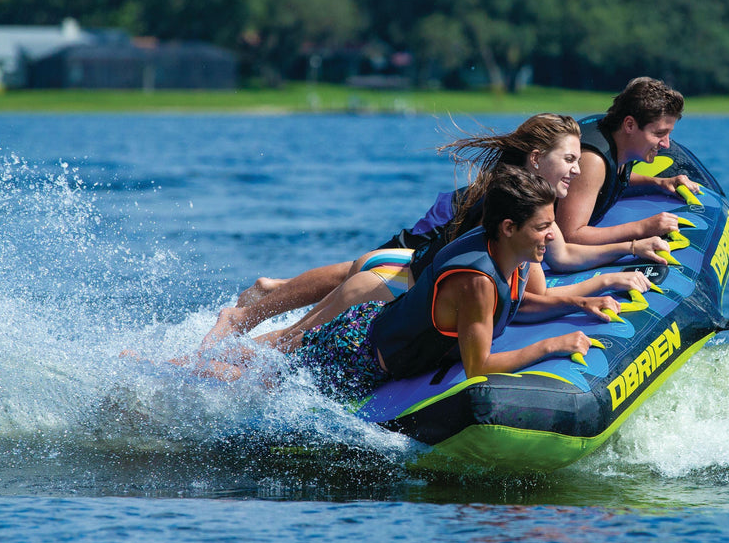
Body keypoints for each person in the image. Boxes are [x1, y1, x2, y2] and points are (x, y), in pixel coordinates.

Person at [202, 114, 666, 350]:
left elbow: (545, 270)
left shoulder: (526, 201)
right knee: (288, 345)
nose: (577, 168)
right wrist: (602, 282)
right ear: (534, 160)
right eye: (568, 159)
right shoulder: (516, 206)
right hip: (395, 278)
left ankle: (241, 326)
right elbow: (533, 292)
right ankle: (221, 343)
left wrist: (609, 269)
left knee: (292, 340)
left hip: (400, 271)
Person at [204, 168, 597, 401]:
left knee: (275, 354)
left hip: (373, 321)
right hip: (355, 354)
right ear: (509, 228)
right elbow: (479, 366)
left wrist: (578, 303)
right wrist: (552, 345)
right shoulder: (477, 281)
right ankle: (177, 372)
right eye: (544, 227)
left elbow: (516, 302)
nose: (552, 235)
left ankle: (206, 355)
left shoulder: (511, 255)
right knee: (259, 380)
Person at [555, 76, 702, 246]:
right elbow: (569, 237)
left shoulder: (618, 138)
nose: (666, 145)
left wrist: (659, 182)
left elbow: (603, 180)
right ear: (630, 125)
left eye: (669, 134)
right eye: (659, 134)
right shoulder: (593, 160)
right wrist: (643, 228)